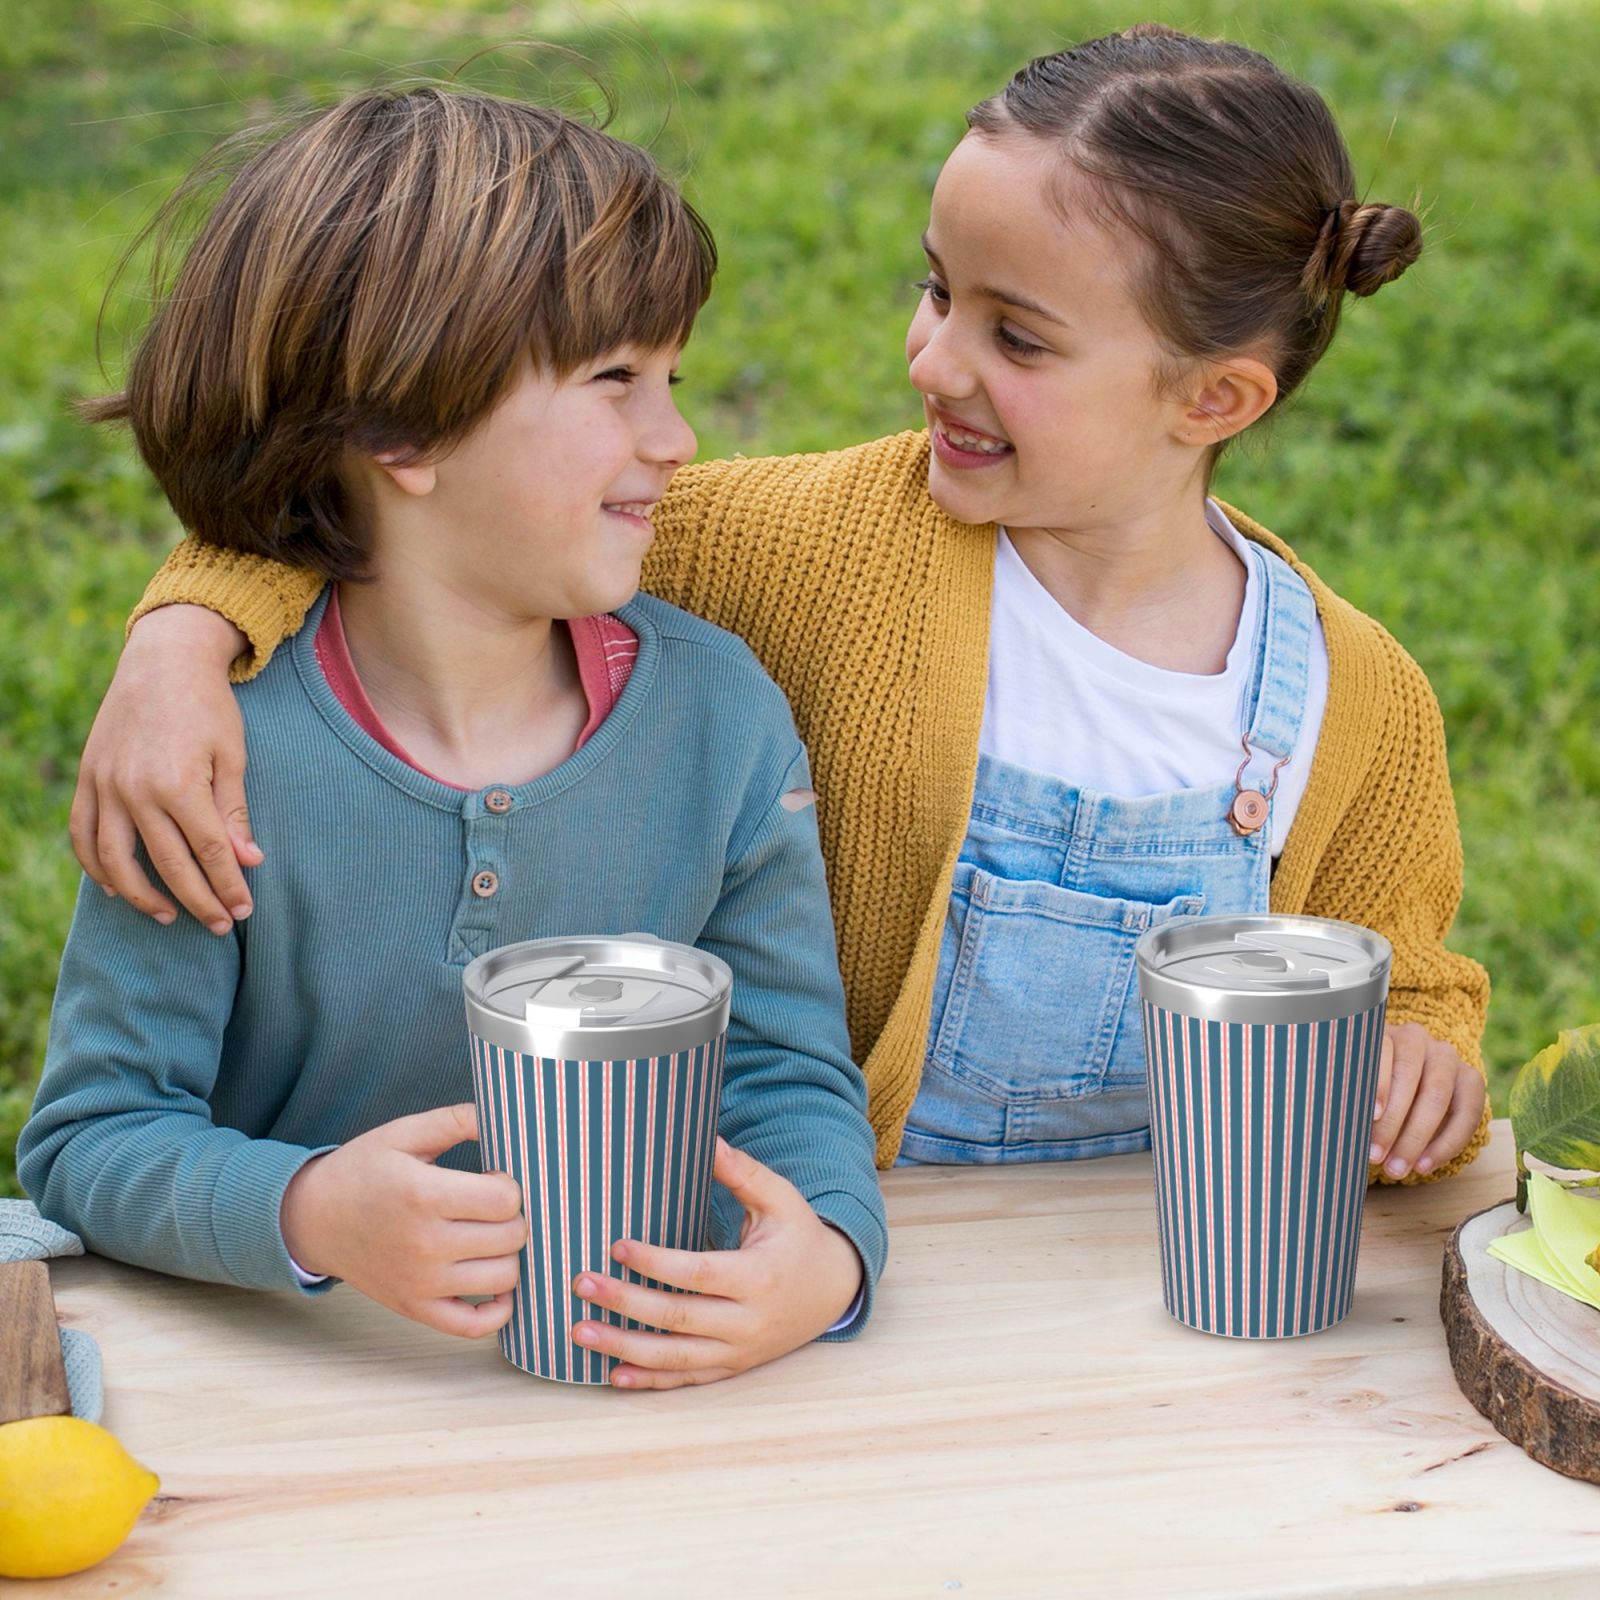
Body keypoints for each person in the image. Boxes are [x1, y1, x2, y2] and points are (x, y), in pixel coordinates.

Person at [68, 25, 1490, 1185]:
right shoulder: (808, 546)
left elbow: (1403, 976)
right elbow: (422, 504)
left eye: (1018, 335)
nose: (934, 359)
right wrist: (185, 636)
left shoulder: (1353, 699)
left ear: (1216, 398)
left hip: (1163, 1278)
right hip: (852, 1246)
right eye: (938, 291)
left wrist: (1420, 1055)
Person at [20, 86, 887, 1390]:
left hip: (640, 1398)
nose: (677, 438)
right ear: (398, 430)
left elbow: (780, 1069)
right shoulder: (208, 758)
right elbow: (93, 1139)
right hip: (305, 1400)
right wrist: (312, 1211)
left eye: (673, 379)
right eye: (614, 383)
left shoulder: (723, 720)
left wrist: (825, 1255)